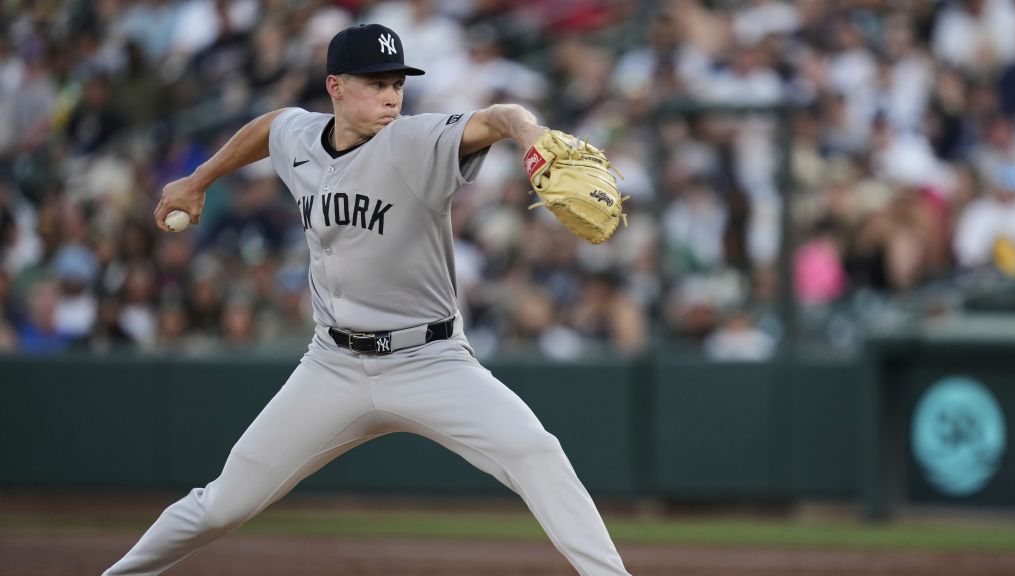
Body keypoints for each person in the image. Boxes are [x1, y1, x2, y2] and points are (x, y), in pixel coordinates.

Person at [104, 23, 630, 576]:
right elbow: (272, 127)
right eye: (375, 83)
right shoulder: (302, 139)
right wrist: (200, 177)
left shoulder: (415, 141)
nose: (391, 96)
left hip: (431, 361)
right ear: (335, 86)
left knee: (536, 452)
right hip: (332, 366)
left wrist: (530, 136)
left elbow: (499, 115)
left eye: (397, 83)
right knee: (221, 505)